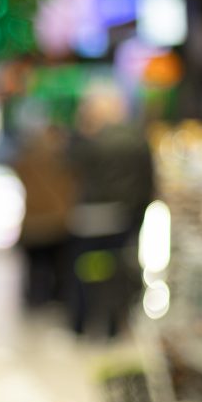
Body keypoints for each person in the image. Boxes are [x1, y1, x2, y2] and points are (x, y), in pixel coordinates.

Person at [67, 83, 155, 339]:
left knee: (87, 271)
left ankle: (82, 323)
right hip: (123, 218)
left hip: (91, 218)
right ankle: (114, 325)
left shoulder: (89, 142)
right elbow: (148, 181)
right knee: (117, 272)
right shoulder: (138, 141)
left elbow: (72, 173)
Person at [14, 124, 75, 307]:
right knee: (55, 268)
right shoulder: (62, 161)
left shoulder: (26, 160)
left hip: (34, 223)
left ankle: (36, 300)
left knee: (36, 269)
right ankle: (52, 300)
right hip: (55, 223)